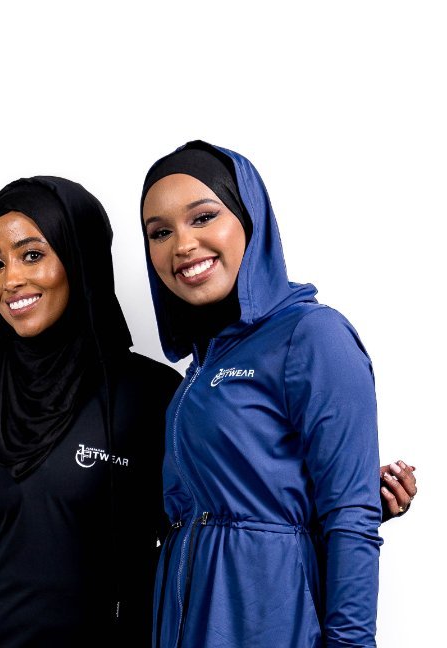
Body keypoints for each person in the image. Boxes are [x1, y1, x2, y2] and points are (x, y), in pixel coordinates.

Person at [0, 176, 182, 645]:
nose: (10, 280)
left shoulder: (152, 395)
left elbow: (189, 555)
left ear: (79, 256)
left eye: (32, 255)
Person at [140, 141, 381, 646]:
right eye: (160, 232)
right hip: (186, 623)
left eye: (203, 217)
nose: (182, 244)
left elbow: (351, 516)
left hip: (266, 622)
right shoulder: (199, 368)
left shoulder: (312, 335)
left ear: (250, 220)